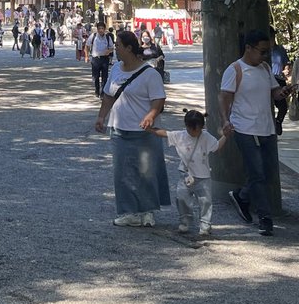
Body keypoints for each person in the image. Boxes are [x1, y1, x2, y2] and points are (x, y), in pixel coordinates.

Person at [95, 30, 170, 226]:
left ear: (129, 48)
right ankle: (129, 211)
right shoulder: (116, 70)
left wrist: (150, 115)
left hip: (144, 131)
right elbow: (108, 96)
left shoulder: (150, 73)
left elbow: (158, 99)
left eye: (118, 46)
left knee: (146, 171)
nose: (115, 49)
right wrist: (101, 117)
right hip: (120, 128)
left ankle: (147, 212)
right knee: (123, 172)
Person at [220, 29, 287, 237]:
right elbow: (224, 97)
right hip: (244, 128)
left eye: (267, 51)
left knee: (265, 172)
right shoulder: (235, 69)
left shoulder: (265, 68)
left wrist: (283, 93)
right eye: (262, 51)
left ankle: (241, 196)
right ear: (248, 48)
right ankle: (265, 218)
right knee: (257, 173)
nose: (265, 55)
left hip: (266, 127)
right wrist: (225, 121)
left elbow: (274, 93)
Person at [149, 109, 228, 237]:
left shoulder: (206, 136)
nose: (193, 132)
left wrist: (226, 136)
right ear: (186, 126)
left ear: (202, 127)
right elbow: (165, 134)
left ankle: (205, 224)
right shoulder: (180, 135)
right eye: (190, 129)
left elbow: (217, 146)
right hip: (185, 174)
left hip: (203, 176)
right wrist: (150, 130)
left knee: (205, 201)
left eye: (196, 130)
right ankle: (185, 221)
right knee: (182, 198)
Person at [269, 27, 290, 136]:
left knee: (283, 106)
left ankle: (278, 122)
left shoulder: (280, 49)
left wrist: (286, 69)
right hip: (266, 80)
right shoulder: (262, 51)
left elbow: (286, 62)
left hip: (279, 79)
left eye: (272, 36)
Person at [84, 22, 114, 97]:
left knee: (105, 77)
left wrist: (109, 51)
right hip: (95, 59)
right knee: (96, 76)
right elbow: (87, 46)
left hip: (104, 59)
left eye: (102, 28)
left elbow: (112, 47)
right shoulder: (93, 36)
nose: (101, 30)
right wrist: (86, 56)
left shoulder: (107, 37)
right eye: (99, 28)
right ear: (97, 29)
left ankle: (102, 92)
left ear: (105, 29)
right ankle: (97, 89)